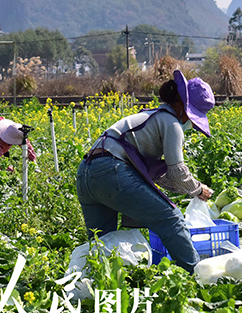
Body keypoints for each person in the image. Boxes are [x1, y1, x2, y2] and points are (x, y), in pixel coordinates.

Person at [75, 70, 216, 272]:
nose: (192, 124)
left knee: (102, 241)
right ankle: (197, 275)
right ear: (183, 107)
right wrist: (196, 189)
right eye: (194, 118)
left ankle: (95, 285)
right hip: (111, 170)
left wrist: (188, 188)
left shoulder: (151, 116)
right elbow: (177, 171)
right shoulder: (172, 123)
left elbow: (161, 176)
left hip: (86, 173)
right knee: (171, 218)